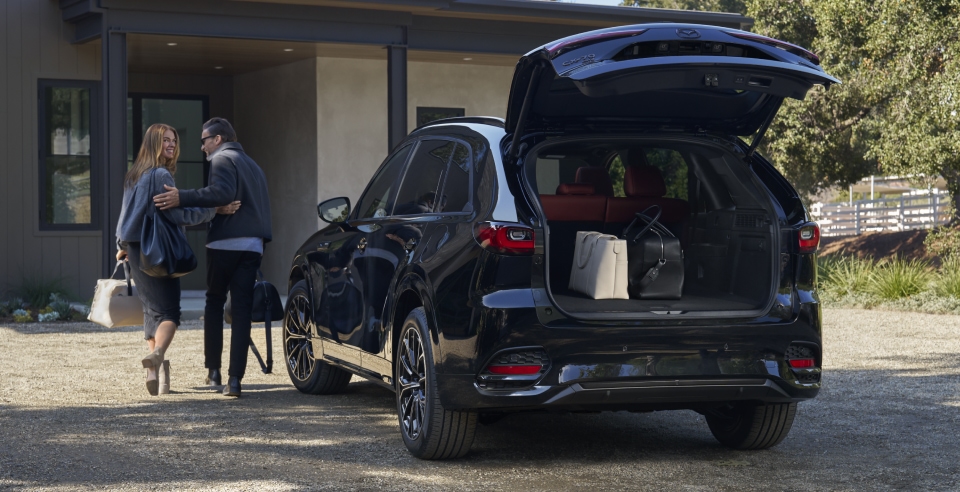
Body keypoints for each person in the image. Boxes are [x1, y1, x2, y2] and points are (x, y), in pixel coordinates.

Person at [115, 123, 240, 396]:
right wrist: (214, 210)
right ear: (153, 143)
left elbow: (124, 217)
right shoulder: (160, 174)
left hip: (134, 250)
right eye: (166, 140)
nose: (172, 145)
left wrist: (121, 245)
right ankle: (157, 353)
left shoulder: (133, 175)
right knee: (170, 312)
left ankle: (158, 377)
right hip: (158, 250)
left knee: (151, 312)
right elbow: (177, 214)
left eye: (174, 140)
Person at [154, 117, 272, 398]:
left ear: (218, 139)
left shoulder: (222, 159)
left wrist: (181, 197)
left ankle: (214, 371)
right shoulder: (254, 167)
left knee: (215, 302)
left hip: (225, 242)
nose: (203, 148)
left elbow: (221, 193)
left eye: (204, 141)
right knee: (242, 310)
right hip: (253, 245)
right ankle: (235, 381)